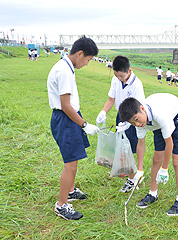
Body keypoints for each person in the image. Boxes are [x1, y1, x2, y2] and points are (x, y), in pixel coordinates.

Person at [47, 36, 100, 220]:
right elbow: (66, 105)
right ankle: (62, 205)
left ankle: (70, 191)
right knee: (70, 163)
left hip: (69, 117)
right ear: (80, 54)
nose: (87, 63)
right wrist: (84, 125)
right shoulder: (63, 71)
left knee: (74, 159)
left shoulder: (67, 67)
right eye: (88, 59)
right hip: (66, 118)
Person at [118, 93, 178, 216]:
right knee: (157, 158)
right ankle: (153, 193)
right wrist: (139, 170)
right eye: (132, 123)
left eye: (136, 120)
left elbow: (169, 144)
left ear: (142, 109)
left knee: (176, 161)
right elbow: (140, 144)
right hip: (155, 123)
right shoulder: (139, 121)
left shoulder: (160, 115)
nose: (136, 124)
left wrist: (164, 169)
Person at [96, 55, 146, 193]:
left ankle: (133, 179)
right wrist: (103, 112)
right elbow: (111, 99)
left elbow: (139, 109)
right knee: (122, 147)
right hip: (121, 117)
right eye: (116, 75)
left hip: (133, 118)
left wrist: (130, 123)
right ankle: (131, 175)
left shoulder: (137, 84)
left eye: (121, 76)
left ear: (129, 71)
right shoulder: (115, 80)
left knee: (130, 148)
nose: (119, 78)